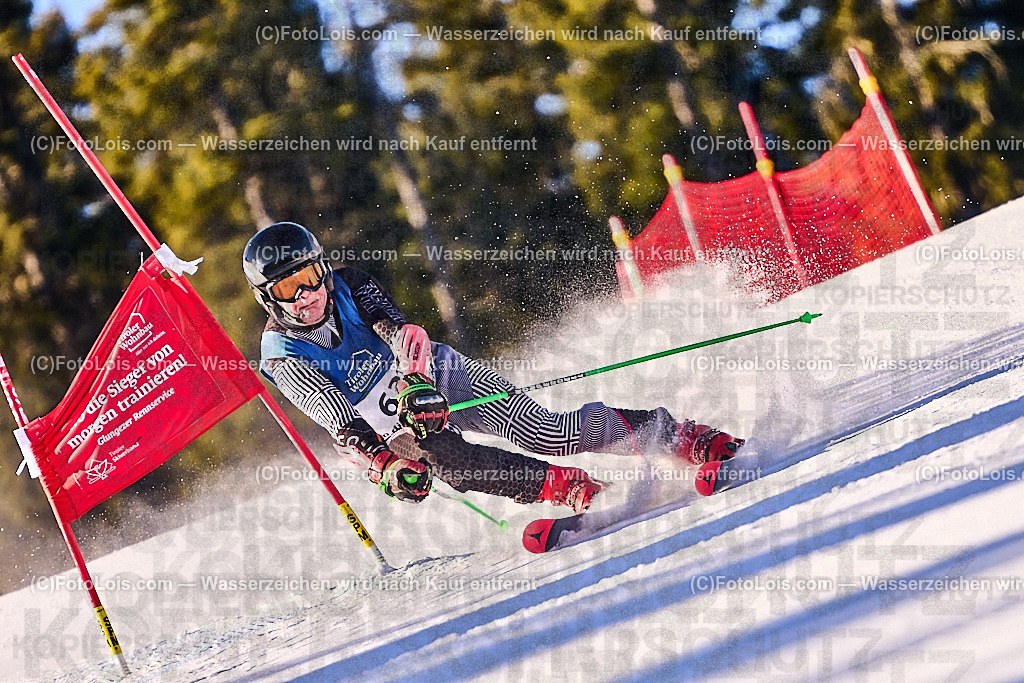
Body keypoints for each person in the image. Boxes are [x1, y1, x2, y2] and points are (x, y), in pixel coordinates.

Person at [243, 222, 743, 514]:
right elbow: (335, 416)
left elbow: (399, 331)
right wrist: (386, 465)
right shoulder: (280, 352)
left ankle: (678, 436)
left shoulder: (351, 284)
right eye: (289, 289)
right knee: (455, 466)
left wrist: (417, 383)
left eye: (309, 277)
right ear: (269, 298)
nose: (307, 295)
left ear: (323, 270)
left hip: (431, 373)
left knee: (547, 432)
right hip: (383, 427)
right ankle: (566, 486)